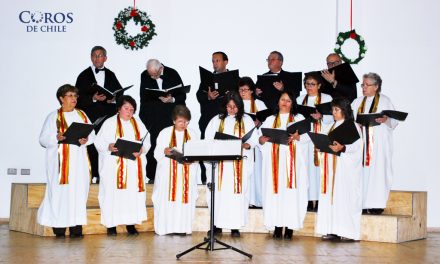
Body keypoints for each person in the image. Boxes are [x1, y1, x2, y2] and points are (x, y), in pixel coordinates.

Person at [38, 84, 95, 238]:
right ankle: (60, 226)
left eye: (75, 96)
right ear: (61, 98)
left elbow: (92, 134)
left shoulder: (82, 115)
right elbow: (43, 139)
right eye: (70, 95)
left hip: (79, 162)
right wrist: (56, 137)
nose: (74, 99)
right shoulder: (53, 116)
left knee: (78, 192)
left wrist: (86, 139)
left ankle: (76, 227)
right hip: (60, 164)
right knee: (60, 193)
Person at [94, 95, 150, 236]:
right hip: (114, 167)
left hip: (132, 166)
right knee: (113, 195)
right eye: (126, 108)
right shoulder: (109, 123)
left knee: (131, 195)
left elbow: (147, 142)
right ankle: (111, 225)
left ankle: (131, 224)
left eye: (132, 109)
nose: (129, 112)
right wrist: (109, 146)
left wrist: (141, 150)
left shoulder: (138, 123)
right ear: (119, 108)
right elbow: (98, 142)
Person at [204, 92, 258, 237]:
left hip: (238, 165)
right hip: (221, 164)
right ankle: (216, 225)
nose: (232, 110)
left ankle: (235, 226)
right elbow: (208, 139)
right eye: (229, 106)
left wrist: (247, 145)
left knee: (236, 195)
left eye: (235, 107)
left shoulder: (246, 120)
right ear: (224, 106)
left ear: (240, 106)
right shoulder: (216, 120)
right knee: (219, 194)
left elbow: (254, 139)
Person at [258, 91, 309, 240]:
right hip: (274, 163)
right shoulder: (270, 119)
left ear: (293, 103)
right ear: (278, 102)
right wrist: (262, 140)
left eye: (288, 100)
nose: (285, 103)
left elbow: (307, 138)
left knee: (291, 193)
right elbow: (260, 139)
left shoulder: (299, 119)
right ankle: (277, 225)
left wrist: (298, 137)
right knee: (276, 193)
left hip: (293, 164)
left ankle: (290, 227)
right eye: (282, 100)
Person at [316, 97, 363, 242]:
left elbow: (357, 147)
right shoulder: (329, 126)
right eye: (333, 109)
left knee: (344, 199)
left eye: (337, 109)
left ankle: (347, 232)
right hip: (330, 170)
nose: (334, 112)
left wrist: (343, 148)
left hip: (344, 171)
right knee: (331, 200)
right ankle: (332, 230)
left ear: (344, 110)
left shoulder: (352, 126)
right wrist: (320, 146)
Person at [351, 73, 398, 215]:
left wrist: (386, 120)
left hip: (378, 145)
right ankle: (362, 203)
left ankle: (377, 204)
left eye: (367, 85)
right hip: (361, 144)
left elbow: (394, 121)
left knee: (378, 172)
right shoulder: (357, 102)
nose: (364, 87)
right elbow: (349, 120)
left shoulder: (385, 101)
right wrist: (356, 124)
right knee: (361, 173)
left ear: (376, 87)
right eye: (363, 85)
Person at [75, 46, 123, 183]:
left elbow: (119, 92)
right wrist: (93, 98)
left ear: (105, 58)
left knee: (108, 144)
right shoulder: (83, 75)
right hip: (90, 115)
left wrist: (114, 98)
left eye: (100, 55)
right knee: (91, 144)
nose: (97, 58)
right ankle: (93, 174)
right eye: (95, 55)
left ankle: (107, 175)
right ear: (91, 57)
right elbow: (76, 98)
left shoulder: (111, 74)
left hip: (108, 116)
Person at [152, 105, 200, 235]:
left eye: (186, 121)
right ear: (174, 120)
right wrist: (165, 151)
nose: (183, 124)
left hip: (186, 173)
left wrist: (192, 160)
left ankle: (182, 228)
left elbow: (197, 153)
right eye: (180, 121)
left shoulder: (192, 134)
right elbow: (157, 153)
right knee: (167, 199)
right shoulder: (165, 132)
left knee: (183, 199)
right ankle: (166, 228)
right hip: (168, 173)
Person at [139, 59, 185, 182]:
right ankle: (153, 176)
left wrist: (172, 100)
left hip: (171, 117)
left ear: (161, 68)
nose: (153, 77)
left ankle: (174, 175)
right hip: (154, 117)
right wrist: (144, 117)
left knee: (173, 144)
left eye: (155, 74)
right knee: (153, 145)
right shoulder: (144, 75)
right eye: (151, 75)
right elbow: (143, 97)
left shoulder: (172, 73)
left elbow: (182, 95)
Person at [296, 73, 333, 212]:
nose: (309, 87)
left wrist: (321, 116)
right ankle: (306, 199)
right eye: (307, 84)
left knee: (318, 170)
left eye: (312, 84)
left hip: (320, 137)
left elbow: (334, 116)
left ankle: (318, 200)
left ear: (319, 85)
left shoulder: (326, 98)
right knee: (305, 169)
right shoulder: (300, 99)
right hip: (305, 139)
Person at [196, 51, 229, 183]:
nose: (215, 63)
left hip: (226, 122)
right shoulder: (207, 79)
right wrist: (208, 97)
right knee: (206, 151)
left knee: (226, 150)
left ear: (226, 62)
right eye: (213, 61)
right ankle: (206, 180)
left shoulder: (234, 79)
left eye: (217, 60)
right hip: (208, 120)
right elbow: (199, 95)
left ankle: (225, 180)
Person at [238, 77, 267, 208]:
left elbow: (268, 121)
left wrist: (259, 123)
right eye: (240, 89)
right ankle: (247, 200)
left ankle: (259, 200)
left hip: (256, 141)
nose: (243, 92)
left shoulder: (259, 104)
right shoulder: (236, 105)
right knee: (245, 172)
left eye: (245, 89)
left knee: (258, 171)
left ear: (252, 91)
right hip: (243, 142)